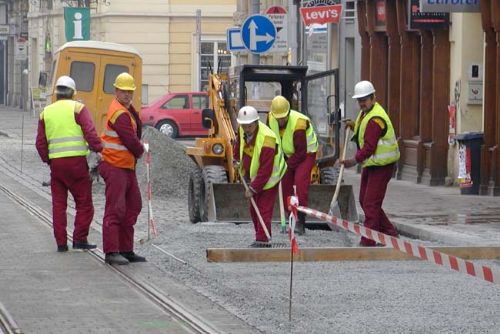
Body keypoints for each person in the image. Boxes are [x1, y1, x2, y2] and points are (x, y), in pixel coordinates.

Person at [35, 75, 103, 252]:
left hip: (57, 167)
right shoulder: (78, 108)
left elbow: (40, 143)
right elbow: (90, 132)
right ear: (73, 93)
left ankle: (61, 243)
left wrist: (48, 160)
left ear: (56, 93)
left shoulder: (45, 113)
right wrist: (98, 148)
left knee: (59, 206)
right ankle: (80, 239)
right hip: (77, 165)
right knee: (84, 204)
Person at [340, 80, 400, 246]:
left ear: (373, 97)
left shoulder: (376, 119)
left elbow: (368, 148)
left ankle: (369, 239)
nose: (361, 103)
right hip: (373, 164)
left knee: (371, 203)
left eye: (364, 99)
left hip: (382, 166)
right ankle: (389, 234)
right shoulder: (367, 113)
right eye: (359, 100)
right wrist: (354, 126)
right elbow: (364, 131)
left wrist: (352, 161)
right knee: (364, 200)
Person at [98, 72, 147, 265]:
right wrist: (142, 150)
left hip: (125, 166)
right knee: (116, 209)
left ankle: (126, 249)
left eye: (129, 91)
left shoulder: (126, 109)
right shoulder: (119, 113)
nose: (127, 94)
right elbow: (130, 140)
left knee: (133, 205)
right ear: (116, 91)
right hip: (114, 165)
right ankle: (111, 252)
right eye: (123, 91)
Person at [233, 106, 287, 247]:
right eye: (243, 126)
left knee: (263, 207)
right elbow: (238, 145)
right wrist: (236, 160)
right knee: (253, 207)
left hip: (271, 176)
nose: (246, 129)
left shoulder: (267, 139)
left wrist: (253, 189)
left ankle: (262, 239)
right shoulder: (242, 129)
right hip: (254, 174)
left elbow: (265, 170)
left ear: (256, 122)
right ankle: (259, 235)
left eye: (249, 126)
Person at [267, 95, 318, 235]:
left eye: (283, 117)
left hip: (306, 153)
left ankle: (301, 221)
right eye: (278, 118)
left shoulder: (299, 123)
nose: (280, 120)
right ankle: (289, 218)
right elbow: (272, 140)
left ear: (288, 113)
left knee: (300, 183)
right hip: (288, 154)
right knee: (285, 184)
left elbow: (301, 153)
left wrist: (286, 166)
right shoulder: (271, 118)